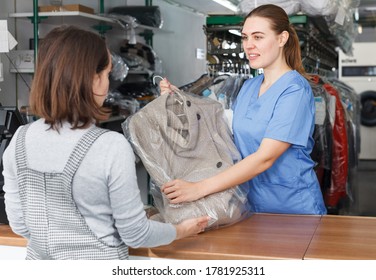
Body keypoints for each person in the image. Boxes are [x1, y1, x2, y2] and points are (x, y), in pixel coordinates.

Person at [2, 25, 209, 260]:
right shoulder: (109, 146)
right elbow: (135, 234)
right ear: (92, 79)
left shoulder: (19, 140)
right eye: (107, 74)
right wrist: (182, 230)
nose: (108, 84)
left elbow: (20, 224)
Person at [159, 4, 327, 215]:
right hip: (250, 206)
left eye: (258, 37)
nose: (248, 45)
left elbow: (265, 157)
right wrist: (179, 100)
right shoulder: (249, 87)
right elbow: (222, 132)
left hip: (292, 208)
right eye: (245, 37)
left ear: (282, 39)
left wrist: (199, 189)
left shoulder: (295, 91)